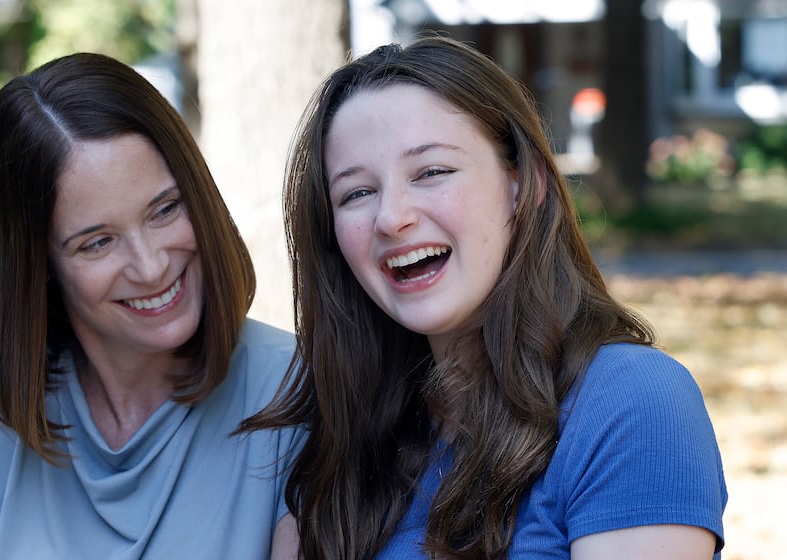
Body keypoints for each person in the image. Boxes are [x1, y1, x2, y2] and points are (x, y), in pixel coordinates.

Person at [243, 36, 727, 559]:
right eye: (357, 192)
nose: (391, 217)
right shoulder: (340, 437)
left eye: (432, 172)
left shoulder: (631, 403)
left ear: (524, 184)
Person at [0, 52, 301, 559]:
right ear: (38, 266)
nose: (150, 266)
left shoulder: (299, 394)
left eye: (165, 209)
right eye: (96, 242)